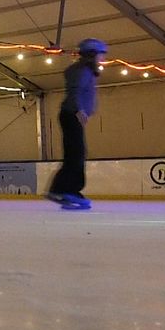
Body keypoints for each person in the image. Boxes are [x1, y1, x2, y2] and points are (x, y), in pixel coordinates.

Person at [44, 39, 108, 210]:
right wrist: (79, 110)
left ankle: (63, 189)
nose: (102, 58)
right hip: (72, 114)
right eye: (101, 54)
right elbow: (75, 91)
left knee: (75, 153)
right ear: (92, 54)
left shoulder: (84, 70)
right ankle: (67, 190)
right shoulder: (82, 71)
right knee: (76, 154)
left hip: (72, 114)